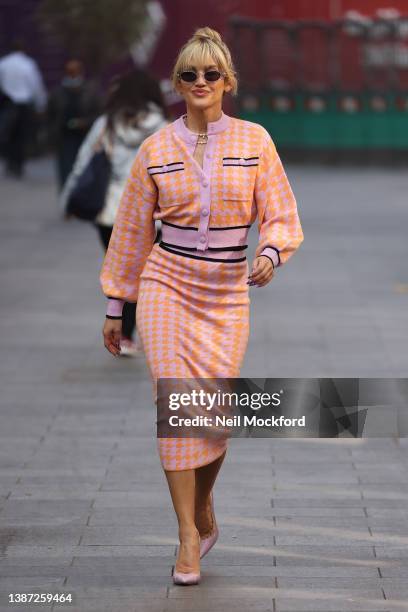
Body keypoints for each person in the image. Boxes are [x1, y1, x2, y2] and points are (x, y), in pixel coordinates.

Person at [100, 27, 304, 584]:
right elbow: (130, 233)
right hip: (167, 283)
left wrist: (270, 251)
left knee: (213, 415)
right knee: (175, 408)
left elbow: (282, 214)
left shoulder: (255, 141)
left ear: (227, 81)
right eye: (189, 74)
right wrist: (118, 305)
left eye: (210, 74)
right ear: (177, 82)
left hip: (225, 292)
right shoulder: (155, 149)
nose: (200, 82)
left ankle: (203, 507)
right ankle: (187, 534)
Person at [60, 69, 169, 356]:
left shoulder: (106, 124)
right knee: (143, 271)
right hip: (150, 213)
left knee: (121, 269)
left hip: (110, 211)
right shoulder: (164, 128)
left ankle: (127, 331)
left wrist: (68, 200)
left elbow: (83, 161)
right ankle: (135, 331)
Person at [47, 59, 100, 190]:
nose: (73, 75)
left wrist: (85, 122)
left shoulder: (90, 92)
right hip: (64, 138)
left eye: (75, 71)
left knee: (84, 170)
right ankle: (66, 201)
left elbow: (98, 114)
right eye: (70, 72)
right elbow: (50, 115)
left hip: (85, 137)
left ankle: (82, 200)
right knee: (65, 170)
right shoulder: (57, 93)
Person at [0, 39, 47, 178]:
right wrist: (40, 104)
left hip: (8, 102)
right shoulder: (28, 64)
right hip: (24, 104)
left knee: (8, 134)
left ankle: (10, 163)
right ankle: (18, 164)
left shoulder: (3, 63)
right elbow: (35, 85)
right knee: (21, 135)